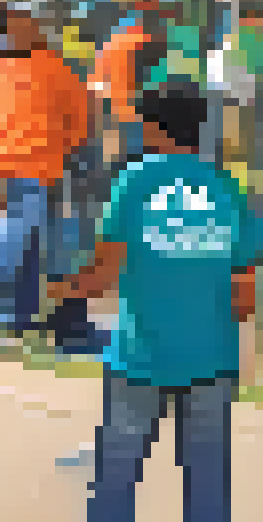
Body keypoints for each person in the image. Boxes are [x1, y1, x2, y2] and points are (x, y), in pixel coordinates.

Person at [54, 81, 259, 522]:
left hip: (141, 354)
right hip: (211, 357)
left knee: (117, 475)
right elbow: (244, 299)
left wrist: (59, 290)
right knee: (207, 482)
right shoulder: (228, 188)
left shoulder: (134, 181)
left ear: (154, 127)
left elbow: (103, 274)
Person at [0, 7, 91, 345]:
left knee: (29, 239)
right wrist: (64, 148)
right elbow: (81, 120)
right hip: (37, 165)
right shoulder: (57, 68)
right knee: (25, 233)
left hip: (7, 164)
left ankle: (16, 317)